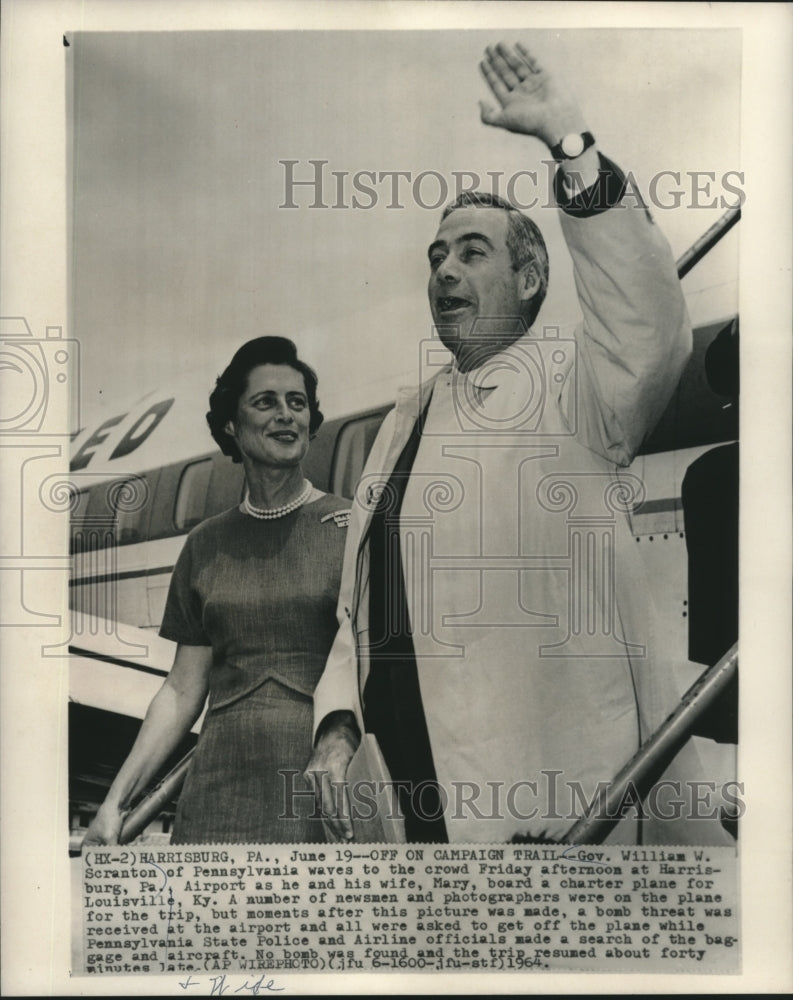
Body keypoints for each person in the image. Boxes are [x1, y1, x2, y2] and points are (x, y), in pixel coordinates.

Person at [306, 42, 733, 845]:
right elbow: (358, 603)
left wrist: (567, 140)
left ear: (531, 279)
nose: (443, 271)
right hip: (406, 794)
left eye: (472, 252)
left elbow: (650, 317)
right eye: (435, 256)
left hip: (545, 799)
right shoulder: (404, 420)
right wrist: (334, 720)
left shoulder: (582, 382)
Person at [83, 336, 350, 845]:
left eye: (298, 403)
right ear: (231, 423)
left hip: (318, 795)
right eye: (265, 402)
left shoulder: (348, 527)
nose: (286, 415)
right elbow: (183, 689)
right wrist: (115, 804)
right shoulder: (204, 545)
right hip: (218, 797)